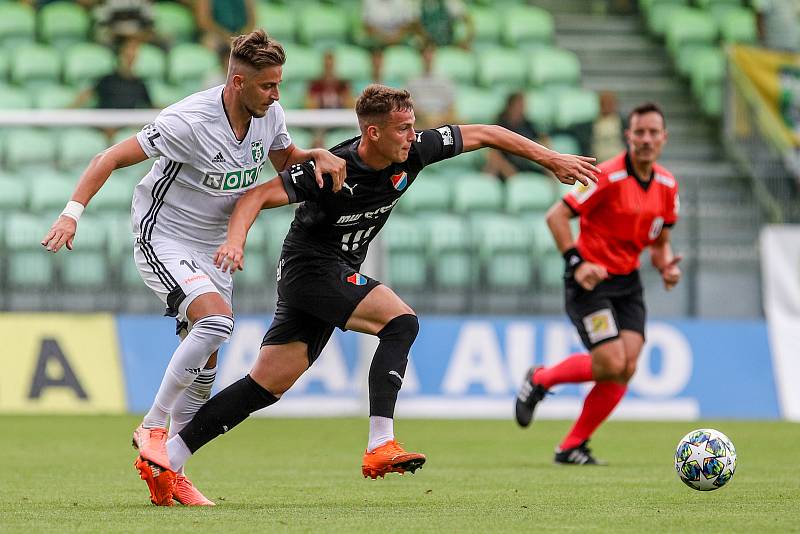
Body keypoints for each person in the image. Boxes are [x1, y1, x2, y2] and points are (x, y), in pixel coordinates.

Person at [132, 84, 600, 504]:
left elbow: (487, 133)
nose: (412, 136)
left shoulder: (413, 151)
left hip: (326, 275)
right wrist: (235, 241)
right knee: (402, 322)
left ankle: (168, 459)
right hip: (310, 270)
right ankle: (380, 443)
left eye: (413, 126)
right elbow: (253, 197)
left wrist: (551, 159)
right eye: (402, 129)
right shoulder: (333, 169)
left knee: (265, 385)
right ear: (372, 134)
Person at [40, 30, 347, 506]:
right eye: (268, 86)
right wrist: (71, 213)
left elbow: (285, 160)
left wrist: (316, 153)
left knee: (206, 360)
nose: (277, 94)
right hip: (163, 235)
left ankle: (169, 472)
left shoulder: (271, 114)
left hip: (212, 248)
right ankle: (152, 427)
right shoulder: (188, 121)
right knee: (217, 322)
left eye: (279, 84)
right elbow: (111, 157)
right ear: (238, 81)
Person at [514, 102, 681, 465]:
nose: (646, 139)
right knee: (610, 362)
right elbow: (556, 216)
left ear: (664, 138)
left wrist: (666, 267)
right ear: (628, 137)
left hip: (627, 283)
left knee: (628, 365)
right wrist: (577, 263)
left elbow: (660, 244)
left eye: (654, 133)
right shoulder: (607, 177)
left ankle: (571, 446)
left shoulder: (668, 186)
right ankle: (541, 379)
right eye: (640, 132)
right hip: (590, 283)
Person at [72, 38, 152, 110]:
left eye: (133, 57)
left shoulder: (139, 84)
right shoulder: (107, 80)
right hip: (105, 121)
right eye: (127, 56)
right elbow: (87, 95)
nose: (129, 61)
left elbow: (151, 105)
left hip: (127, 122)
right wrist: (68, 111)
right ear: (119, 56)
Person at [484, 92, 549, 180]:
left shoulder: (527, 124)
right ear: (510, 106)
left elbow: (542, 139)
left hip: (525, 165)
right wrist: (508, 171)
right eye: (519, 105)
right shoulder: (500, 125)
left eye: (523, 105)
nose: (521, 108)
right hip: (506, 166)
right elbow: (492, 152)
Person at [406, 44, 456, 129]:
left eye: (430, 53)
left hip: (442, 120)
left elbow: (451, 108)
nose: (428, 57)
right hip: (421, 121)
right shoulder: (412, 82)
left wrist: (439, 120)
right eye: (425, 54)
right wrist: (425, 118)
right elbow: (409, 107)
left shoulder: (445, 81)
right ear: (421, 57)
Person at [592, 91, 625, 163]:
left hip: (619, 162)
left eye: (610, 103)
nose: (607, 106)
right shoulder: (592, 124)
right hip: (598, 162)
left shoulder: (624, 123)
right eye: (604, 103)